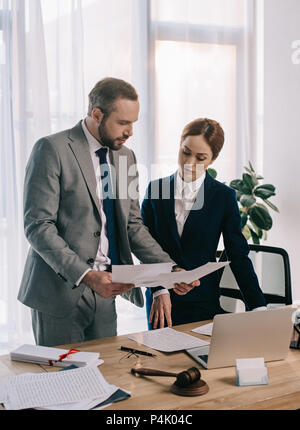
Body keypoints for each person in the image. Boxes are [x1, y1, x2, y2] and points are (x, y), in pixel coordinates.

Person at [18, 77, 197, 346]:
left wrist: (169, 270)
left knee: (104, 376)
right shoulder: (51, 149)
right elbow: (38, 226)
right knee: (64, 382)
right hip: (59, 293)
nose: (130, 132)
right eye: (123, 123)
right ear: (97, 114)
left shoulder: (126, 157)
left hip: (106, 294)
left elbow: (132, 225)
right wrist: (87, 276)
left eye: (134, 123)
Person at [141, 118, 267, 328]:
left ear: (212, 159)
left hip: (202, 302)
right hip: (162, 300)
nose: (190, 163)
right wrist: (160, 288)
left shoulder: (223, 196)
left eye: (200, 158)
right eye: (186, 152)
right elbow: (144, 246)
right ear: (179, 145)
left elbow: (237, 254)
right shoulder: (156, 190)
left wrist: (258, 307)